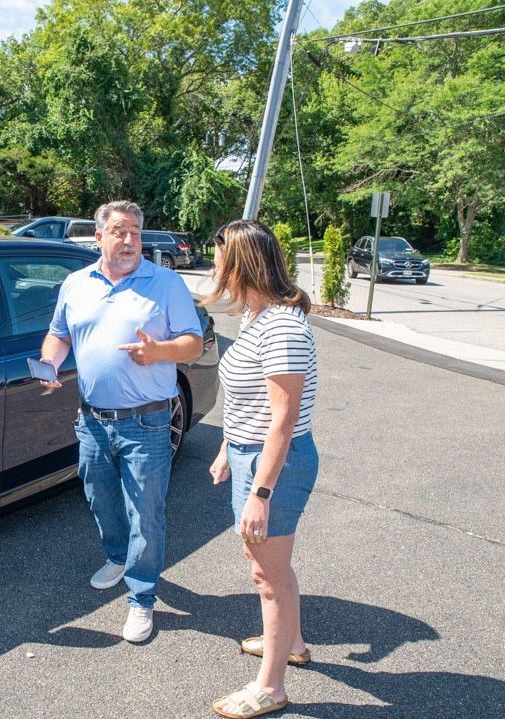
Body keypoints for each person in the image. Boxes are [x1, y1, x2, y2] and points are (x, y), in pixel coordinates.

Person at [39, 200, 203, 643]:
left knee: (145, 511)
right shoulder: (75, 283)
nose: (129, 239)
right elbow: (59, 333)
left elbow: (194, 343)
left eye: (135, 231)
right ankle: (117, 555)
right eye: (118, 231)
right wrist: (50, 364)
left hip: (147, 422)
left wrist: (160, 351)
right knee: (99, 498)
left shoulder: (165, 282)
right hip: (91, 420)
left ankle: (142, 598)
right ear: (99, 237)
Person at [203, 220, 319, 718]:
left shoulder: (282, 326)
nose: (213, 268)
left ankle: (271, 687)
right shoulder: (257, 317)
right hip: (253, 453)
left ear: (240, 264)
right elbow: (246, 402)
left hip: (276, 463)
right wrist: (228, 446)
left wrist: (261, 493)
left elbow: (283, 419)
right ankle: (291, 644)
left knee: (266, 577)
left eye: (218, 259)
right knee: (269, 566)